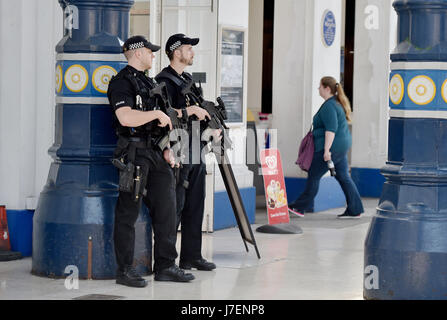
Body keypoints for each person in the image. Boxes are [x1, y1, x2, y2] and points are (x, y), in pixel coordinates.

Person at [107, 35, 195, 288]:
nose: (153, 55)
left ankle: (166, 265)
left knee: (167, 209)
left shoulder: (149, 82)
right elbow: (125, 117)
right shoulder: (122, 83)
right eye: (149, 51)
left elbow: (164, 119)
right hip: (133, 154)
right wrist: (154, 114)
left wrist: (168, 147)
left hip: (156, 153)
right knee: (128, 213)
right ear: (136, 53)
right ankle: (125, 270)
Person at [155, 34, 217, 271]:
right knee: (176, 205)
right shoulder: (163, 81)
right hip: (178, 150)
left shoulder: (188, 79)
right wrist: (187, 110)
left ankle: (191, 256)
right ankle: (167, 261)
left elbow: (200, 109)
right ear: (176, 51)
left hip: (196, 147)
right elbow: (163, 112)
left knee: (195, 204)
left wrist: (212, 127)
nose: (192, 52)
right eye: (188, 48)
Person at [288, 76, 364, 219]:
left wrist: (326, 151)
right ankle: (355, 209)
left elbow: (331, 129)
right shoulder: (336, 103)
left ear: (327, 89)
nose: (318, 89)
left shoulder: (329, 106)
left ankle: (299, 207)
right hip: (341, 146)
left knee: (314, 176)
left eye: (320, 86)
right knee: (343, 177)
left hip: (331, 147)